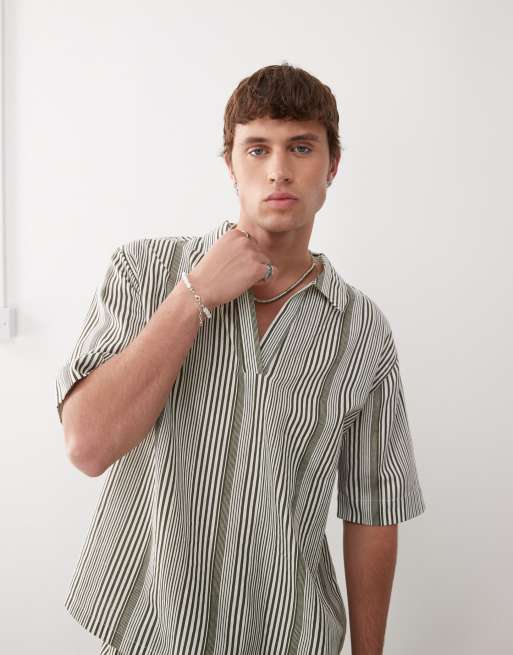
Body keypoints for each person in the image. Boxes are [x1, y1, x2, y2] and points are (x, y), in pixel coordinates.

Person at [56, 62, 426, 655]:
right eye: (257, 149)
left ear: (332, 165)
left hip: (291, 634)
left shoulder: (362, 330)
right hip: (152, 633)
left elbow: (374, 508)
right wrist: (195, 294)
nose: (278, 170)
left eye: (301, 147)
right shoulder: (143, 273)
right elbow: (87, 445)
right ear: (230, 164)